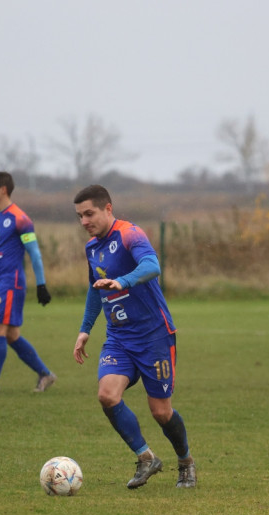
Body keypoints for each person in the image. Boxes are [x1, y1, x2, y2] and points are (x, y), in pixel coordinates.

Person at [71, 185, 196, 488]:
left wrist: (122, 281)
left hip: (154, 335)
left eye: (89, 213)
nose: (84, 221)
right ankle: (146, 458)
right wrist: (85, 329)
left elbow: (152, 266)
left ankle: (186, 462)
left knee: (161, 412)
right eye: (79, 216)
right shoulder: (91, 247)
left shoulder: (130, 234)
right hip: (119, 337)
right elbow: (94, 288)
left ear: (108, 208)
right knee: (107, 395)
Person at [0, 171, 56, 394]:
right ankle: (45, 374)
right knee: (12, 335)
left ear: (3, 189)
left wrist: (41, 285)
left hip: (11, 283)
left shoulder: (20, 219)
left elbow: (34, 253)